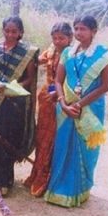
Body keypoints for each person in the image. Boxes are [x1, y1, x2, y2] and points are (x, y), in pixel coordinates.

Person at [44, 15, 108, 207]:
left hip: (90, 108)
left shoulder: (103, 55)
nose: (78, 33)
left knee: (87, 149)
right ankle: (59, 190)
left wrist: (80, 104)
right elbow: (58, 81)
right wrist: (63, 103)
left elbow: (105, 86)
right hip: (66, 108)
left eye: (83, 29)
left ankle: (81, 190)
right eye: (76, 28)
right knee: (63, 147)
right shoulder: (67, 52)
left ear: (94, 31)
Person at [0, 16, 39, 196]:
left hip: (14, 100)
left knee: (6, 140)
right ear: (3, 30)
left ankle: (5, 180)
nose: (10, 34)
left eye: (14, 31)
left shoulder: (27, 52)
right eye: (7, 31)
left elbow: (29, 78)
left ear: (20, 32)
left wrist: (12, 87)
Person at [24, 22, 73, 197]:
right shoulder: (51, 50)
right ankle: (35, 174)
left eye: (62, 38)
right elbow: (36, 61)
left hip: (60, 98)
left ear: (70, 38)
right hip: (45, 97)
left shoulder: (72, 54)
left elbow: (71, 80)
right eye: (55, 37)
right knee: (41, 137)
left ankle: (46, 179)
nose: (58, 41)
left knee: (52, 139)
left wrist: (59, 95)